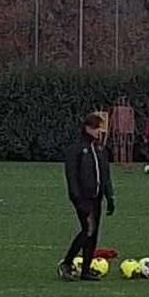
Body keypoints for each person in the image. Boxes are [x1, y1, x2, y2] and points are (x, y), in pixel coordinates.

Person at [60, 112, 115, 281]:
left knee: (93, 233)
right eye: (96, 128)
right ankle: (67, 263)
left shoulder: (99, 150)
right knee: (87, 229)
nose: (100, 131)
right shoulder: (76, 149)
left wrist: (109, 196)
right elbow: (72, 176)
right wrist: (76, 198)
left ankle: (86, 269)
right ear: (87, 128)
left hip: (96, 197)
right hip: (83, 198)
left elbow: (105, 175)